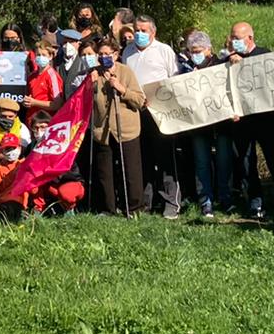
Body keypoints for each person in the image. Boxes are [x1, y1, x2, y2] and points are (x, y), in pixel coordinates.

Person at [121, 14, 183, 219]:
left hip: (160, 113)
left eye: (143, 30)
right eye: (136, 30)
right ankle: (146, 201)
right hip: (135, 112)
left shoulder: (164, 51)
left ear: (153, 32)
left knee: (165, 158)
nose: (139, 34)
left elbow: (175, 80)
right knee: (142, 158)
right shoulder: (127, 52)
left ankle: (171, 202)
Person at [225, 22, 274, 221]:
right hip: (242, 121)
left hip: (265, 119)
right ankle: (255, 203)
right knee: (247, 162)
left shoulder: (264, 54)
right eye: (232, 37)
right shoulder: (227, 60)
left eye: (238, 38)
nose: (234, 41)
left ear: (249, 38)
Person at [89, 37, 145, 216]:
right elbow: (86, 102)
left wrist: (121, 89)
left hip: (126, 128)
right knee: (105, 171)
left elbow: (139, 100)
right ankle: (108, 208)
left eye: (108, 53)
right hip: (103, 129)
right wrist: (90, 85)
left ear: (116, 54)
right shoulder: (94, 73)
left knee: (131, 169)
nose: (104, 57)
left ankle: (134, 207)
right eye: (101, 54)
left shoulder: (126, 72)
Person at [181, 30, 233, 217]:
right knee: (201, 163)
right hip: (199, 125)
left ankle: (226, 198)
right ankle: (206, 201)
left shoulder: (222, 65)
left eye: (198, 50)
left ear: (208, 49)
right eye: (191, 51)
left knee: (224, 161)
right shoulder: (186, 69)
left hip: (221, 124)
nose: (194, 54)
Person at [26, 110, 87, 216]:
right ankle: (37, 209)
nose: (39, 131)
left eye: (43, 127)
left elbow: (69, 171)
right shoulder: (31, 147)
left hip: (68, 181)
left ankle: (69, 208)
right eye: (36, 128)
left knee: (66, 193)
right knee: (33, 185)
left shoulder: (62, 145)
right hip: (45, 183)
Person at [23, 35, 63, 116]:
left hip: (45, 119)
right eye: (38, 55)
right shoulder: (32, 76)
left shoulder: (52, 76)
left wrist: (35, 102)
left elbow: (57, 104)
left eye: (44, 55)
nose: (40, 57)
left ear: (50, 56)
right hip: (31, 118)